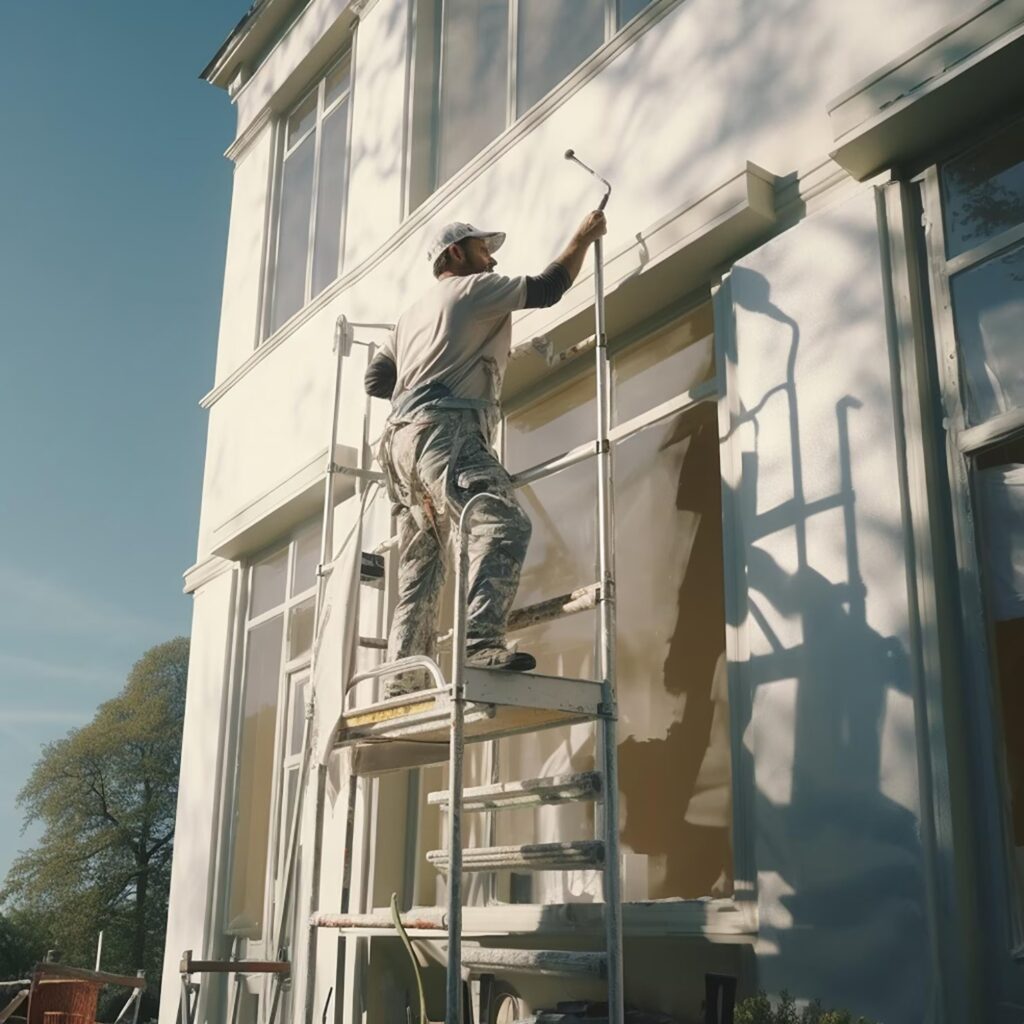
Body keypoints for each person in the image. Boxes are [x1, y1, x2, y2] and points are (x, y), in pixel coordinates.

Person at [365, 211, 607, 697]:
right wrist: (582, 238)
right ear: (455, 254)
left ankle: (401, 680)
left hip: (400, 447)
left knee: (423, 563)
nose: (492, 260)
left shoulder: (410, 317)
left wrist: (436, 367)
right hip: (444, 432)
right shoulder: (472, 290)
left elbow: (376, 380)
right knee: (502, 523)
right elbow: (548, 288)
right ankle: (479, 643)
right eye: (483, 250)